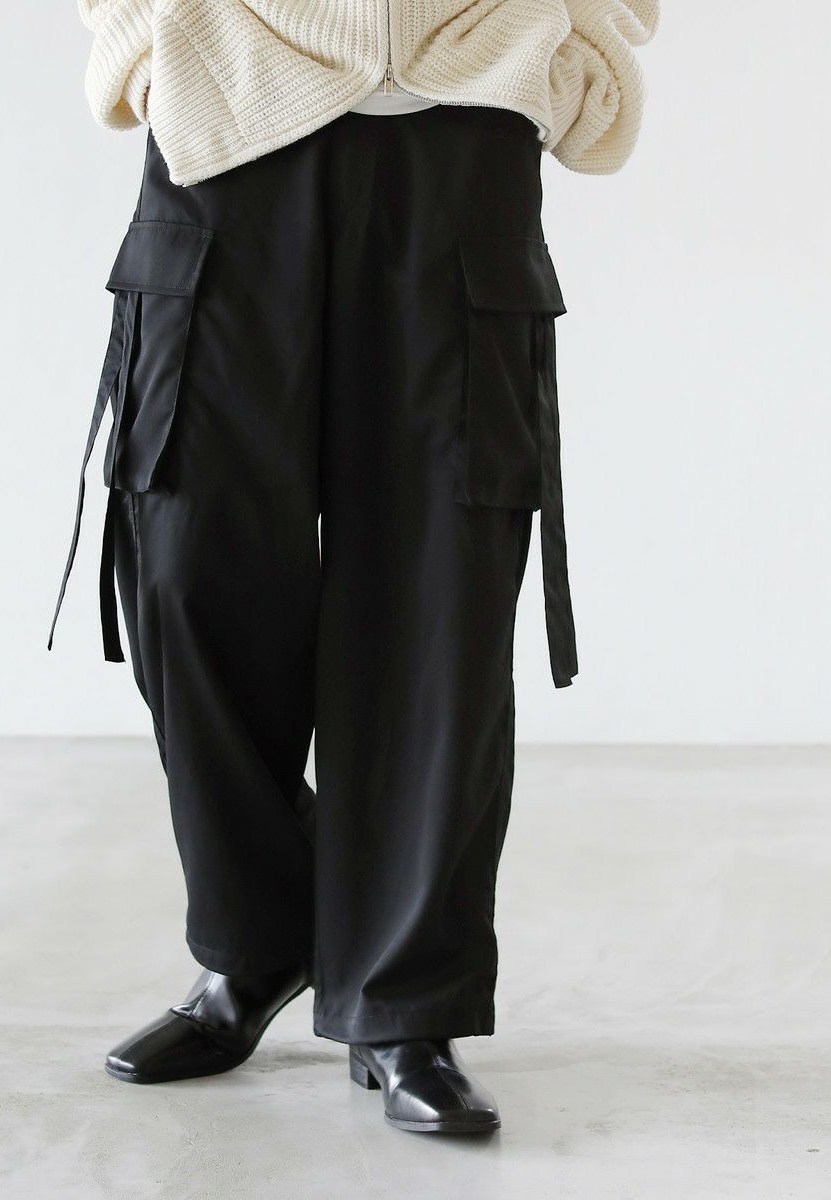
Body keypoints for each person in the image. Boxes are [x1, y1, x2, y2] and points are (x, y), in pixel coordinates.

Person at [51, 0, 658, 1135]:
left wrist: (567, 50)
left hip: (462, 126)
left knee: (438, 603)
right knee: (186, 574)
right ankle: (260, 939)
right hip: (228, 121)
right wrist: (150, 36)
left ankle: (404, 1005)